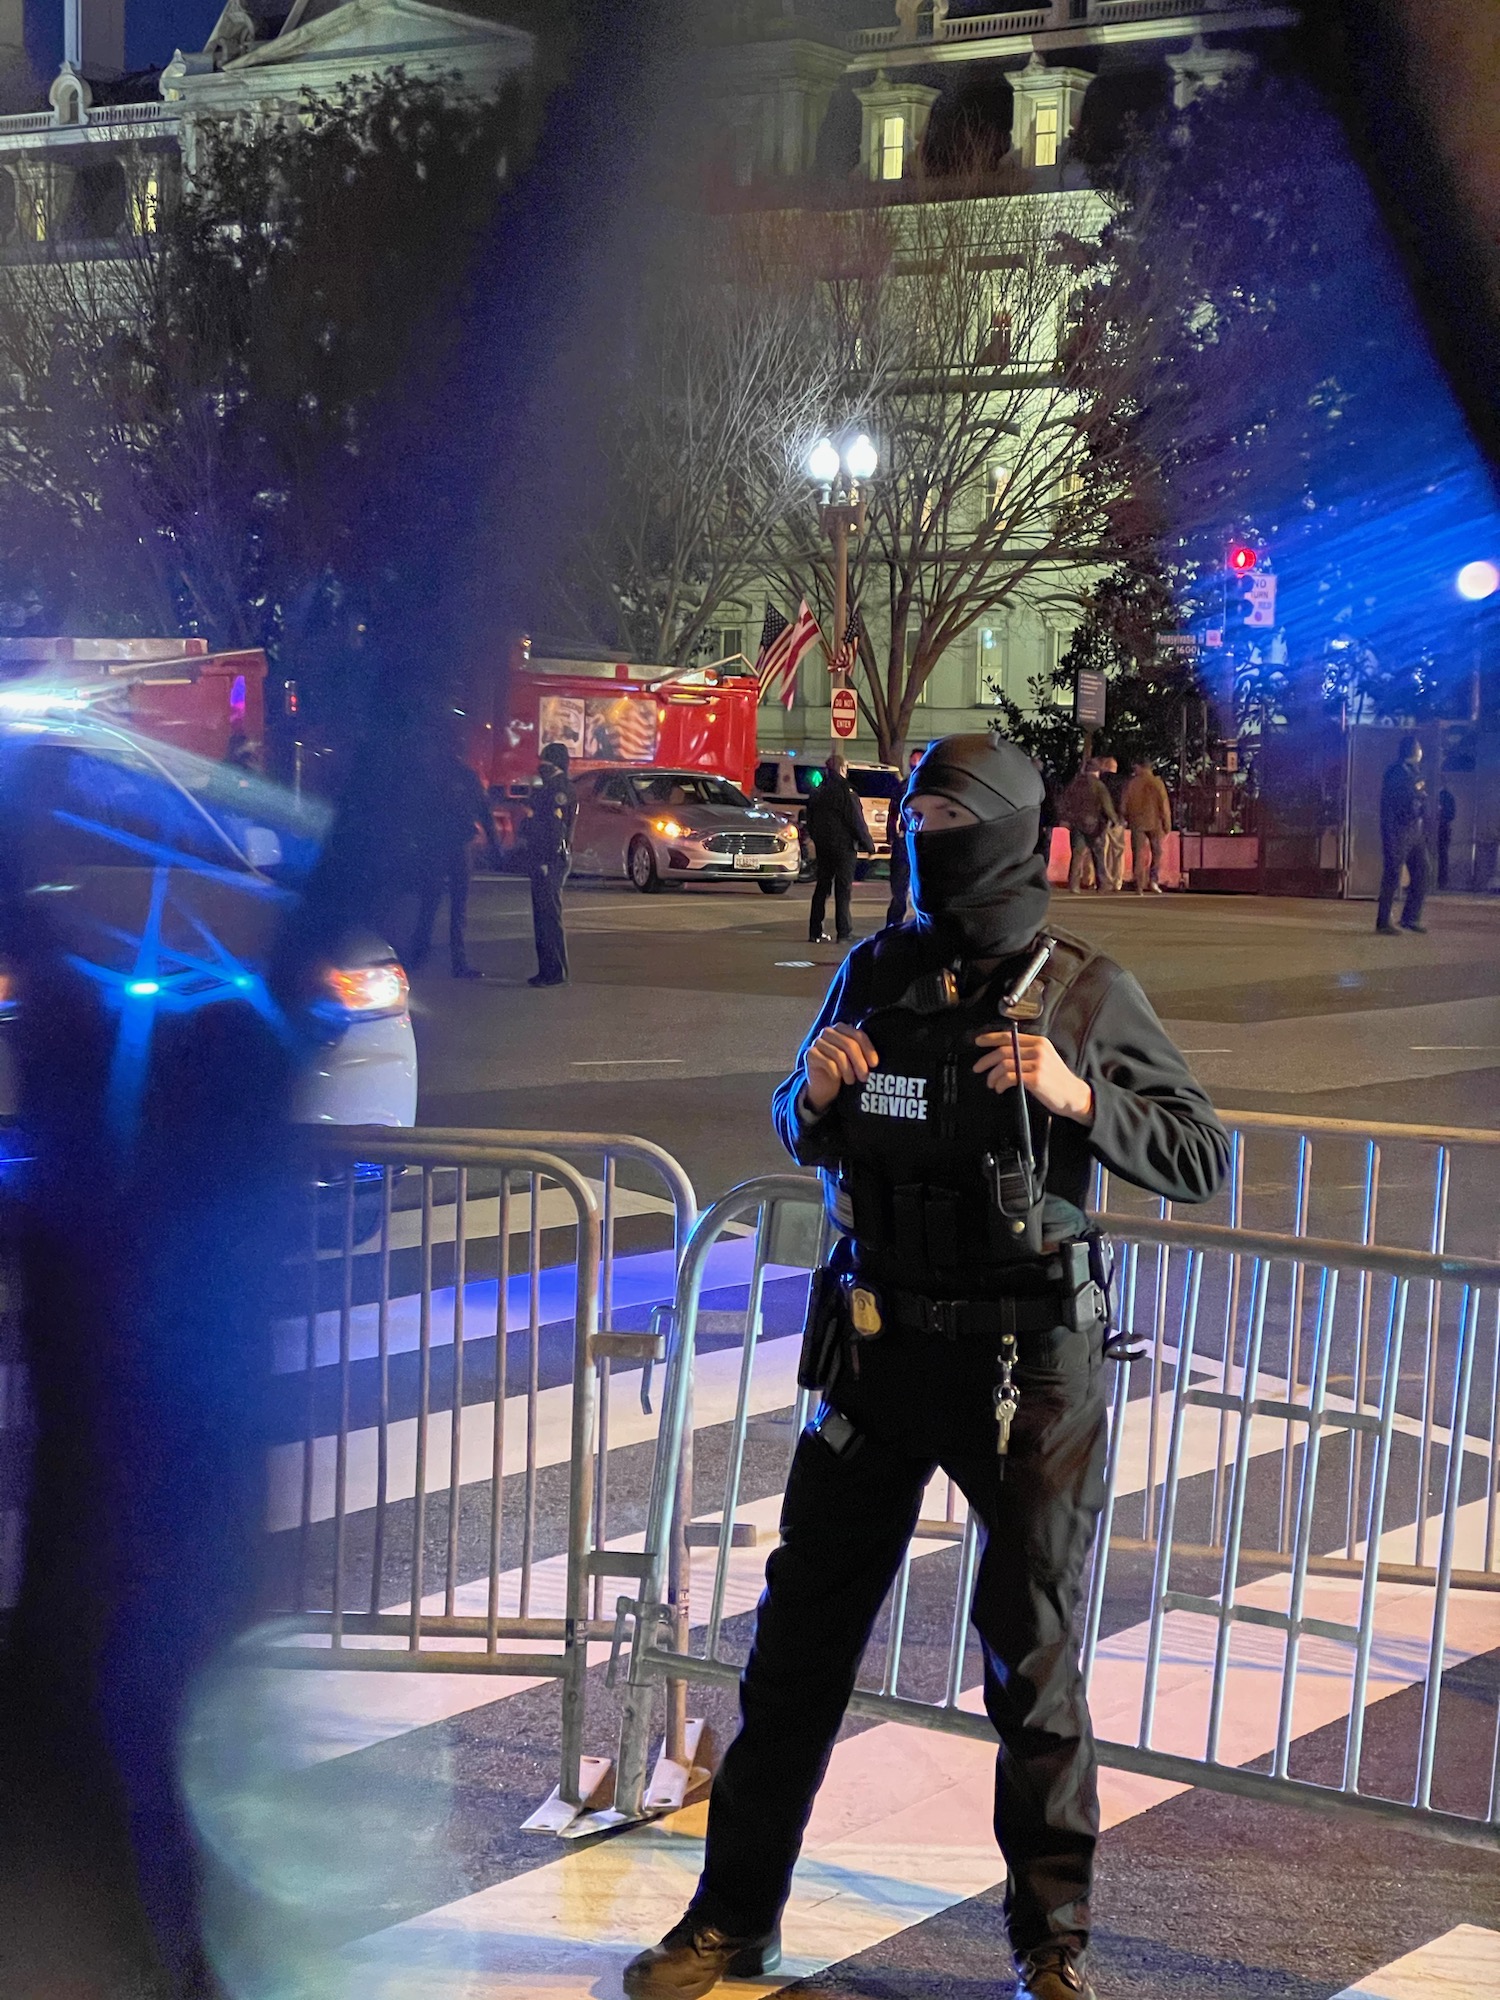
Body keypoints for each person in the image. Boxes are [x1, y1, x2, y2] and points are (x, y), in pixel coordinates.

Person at [623, 732, 1229, 2000]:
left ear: (1007, 826)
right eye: (917, 807)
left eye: (954, 808)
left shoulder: (1082, 988)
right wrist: (812, 1091)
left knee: (1033, 1658)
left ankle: (1050, 1942)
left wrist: (1075, 1096)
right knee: (796, 1646)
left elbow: (1199, 1155)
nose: (926, 828)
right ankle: (734, 1915)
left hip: (1030, 1363)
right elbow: (801, 1124)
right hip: (879, 1346)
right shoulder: (876, 965)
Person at [406, 742, 499, 978]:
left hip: (436, 846)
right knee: (458, 907)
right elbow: (484, 812)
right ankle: (458, 963)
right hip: (460, 845)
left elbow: (416, 813)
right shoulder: (468, 777)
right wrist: (495, 846)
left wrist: (416, 842)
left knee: (430, 902)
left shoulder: (431, 776)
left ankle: (418, 956)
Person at [805, 752, 874, 944]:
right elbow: (856, 821)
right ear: (843, 769)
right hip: (844, 848)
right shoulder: (847, 792)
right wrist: (868, 845)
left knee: (822, 888)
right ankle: (843, 932)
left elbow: (810, 820)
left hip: (824, 847)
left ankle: (815, 931)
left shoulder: (817, 792)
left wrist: (817, 838)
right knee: (843, 890)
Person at [523, 740, 576, 986]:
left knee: (547, 917)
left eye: (544, 761)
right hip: (547, 857)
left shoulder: (557, 789)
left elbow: (555, 828)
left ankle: (553, 971)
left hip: (550, 859)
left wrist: (546, 860)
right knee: (544, 916)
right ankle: (549, 969)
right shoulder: (552, 786)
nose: (540, 766)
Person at [1376, 733, 1430, 934]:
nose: (1421, 751)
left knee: (1423, 871)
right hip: (1398, 830)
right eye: (1419, 747)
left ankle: (1410, 917)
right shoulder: (1397, 772)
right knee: (1392, 874)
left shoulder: (1415, 771)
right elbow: (1400, 802)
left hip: (1414, 831)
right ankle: (1383, 921)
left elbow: (1419, 798)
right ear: (1413, 750)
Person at [1059, 757, 1118, 894]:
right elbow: (1107, 806)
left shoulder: (1075, 784)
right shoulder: (1099, 785)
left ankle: (1074, 885)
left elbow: (1064, 802)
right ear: (1097, 772)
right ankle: (1102, 884)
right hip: (1094, 825)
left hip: (1076, 823)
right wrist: (1114, 819)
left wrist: (1065, 818)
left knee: (1077, 854)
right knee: (1098, 854)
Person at [883, 746, 924, 930]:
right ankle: (894, 927)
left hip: (919, 844)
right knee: (900, 892)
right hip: (907, 844)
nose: (914, 764)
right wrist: (894, 837)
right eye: (913, 760)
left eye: (917, 760)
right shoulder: (908, 785)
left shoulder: (925, 787)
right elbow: (893, 813)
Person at [1121, 758, 1173, 894]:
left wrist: (1127, 817)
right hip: (1155, 823)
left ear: (1141, 767)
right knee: (1157, 852)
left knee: (1138, 854)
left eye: (1136, 767)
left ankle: (1138, 885)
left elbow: (1123, 805)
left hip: (1137, 822)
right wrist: (1167, 824)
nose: (1134, 770)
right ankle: (1153, 880)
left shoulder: (1132, 783)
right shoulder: (1157, 783)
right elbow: (1164, 804)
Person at [1095, 757, 1128, 892]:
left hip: (1102, 818)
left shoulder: (1100, 781)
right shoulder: (1123, 782)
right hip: (1119, 819)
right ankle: (1118, 880)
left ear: (1104, 767)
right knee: (1118, 851)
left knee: (1103, 850)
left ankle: (1105, 880)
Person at [1436, 785, 1456, 892]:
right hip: (1441, 828)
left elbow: (1450, 814)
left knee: (1442, 855)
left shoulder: (1446, 796)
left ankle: (1441, 882)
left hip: (1441, 828)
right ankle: (1441, 882)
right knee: (1442, 855)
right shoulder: (1447, 796)